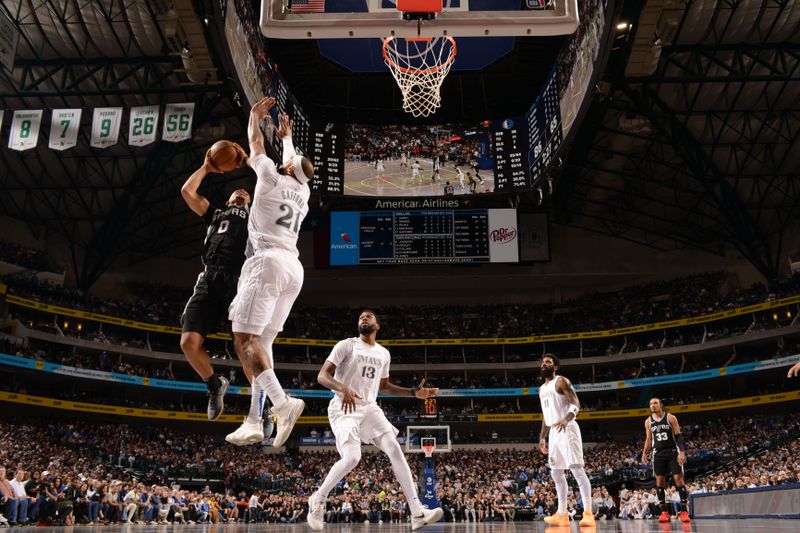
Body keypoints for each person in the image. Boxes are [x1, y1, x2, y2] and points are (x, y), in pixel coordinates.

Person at [224, 97, 312, 447]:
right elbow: (296, 163)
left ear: (288, 167)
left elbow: (256, 144)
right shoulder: (302, 191)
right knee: (262, 346)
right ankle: (254, 420)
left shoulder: (272, 178)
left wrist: (253, 117)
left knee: (244, 341)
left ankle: (281, 403)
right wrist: (288, 139)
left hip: (269, 261)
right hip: (293, 268)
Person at [306, 310, 443, 531]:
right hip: (344, 406)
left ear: (377, 325)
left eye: (369, 316)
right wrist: (343, 387)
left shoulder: (383, 353)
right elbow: (322, 376)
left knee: (394, 448)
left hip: (369, 407)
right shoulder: (346, 345)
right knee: (352, 458)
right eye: (361, 317)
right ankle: (318, 498)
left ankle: (417, 511)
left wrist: (412, 393)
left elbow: (385, 386)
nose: (364, 318)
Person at [179, 141, 255, 421]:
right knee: (188, 343)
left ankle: (262, 404)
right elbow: (187, 191)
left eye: (246, 193)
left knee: (246, 347)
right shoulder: (213, 214)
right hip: (210, 277)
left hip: (239, 280)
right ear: (227, 200)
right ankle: (214, 384)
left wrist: (249, 161)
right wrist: (207, 167)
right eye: (237, 191)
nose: (242, 192)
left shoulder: (254, 218)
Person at [538, 354, 595, 527]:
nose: (544, 364)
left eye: (548, 362)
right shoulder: (541, 388)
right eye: (543, 362)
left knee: (576, 469)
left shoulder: (561, 381)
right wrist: (542, 436)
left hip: (568, 428)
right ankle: (562, 514)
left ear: (555, 367)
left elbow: (576, 404)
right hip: (554, 432)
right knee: (555, 472)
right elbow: (546, 416)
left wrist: (566, 419)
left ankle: (588, 513)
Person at [641, 398, 691, 523]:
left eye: (655, 403)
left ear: (661, 405)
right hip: (658, 454)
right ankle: (664, 512)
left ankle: (684, 511)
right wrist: (644, 453)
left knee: (678, 479)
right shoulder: (648, 421)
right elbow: (648, 439)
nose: (653, 405)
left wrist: (682, 451)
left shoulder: (671, 418)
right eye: (651, 404)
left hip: (672, 452)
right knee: (659, 482)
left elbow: (679, 436)